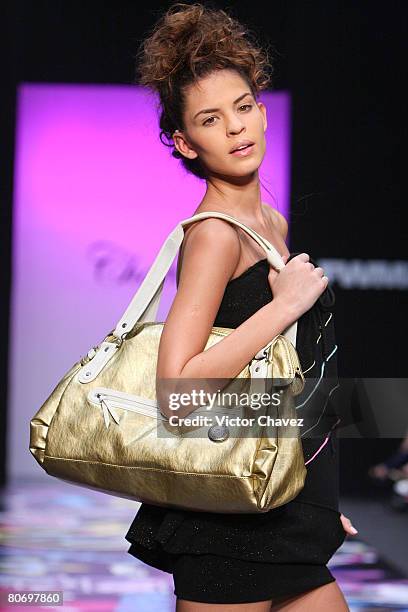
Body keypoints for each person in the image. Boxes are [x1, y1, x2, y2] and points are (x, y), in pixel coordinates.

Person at [125, 3, 357, 609]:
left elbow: (284, 384)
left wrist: (313, 496)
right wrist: (284, 307)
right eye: (210, 118)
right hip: (228, 527)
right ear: (184, 141)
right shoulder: (214, 235)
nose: (235, 127)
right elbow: (178, 390)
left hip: (280, 506)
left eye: (244, 106)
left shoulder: (270, 223)